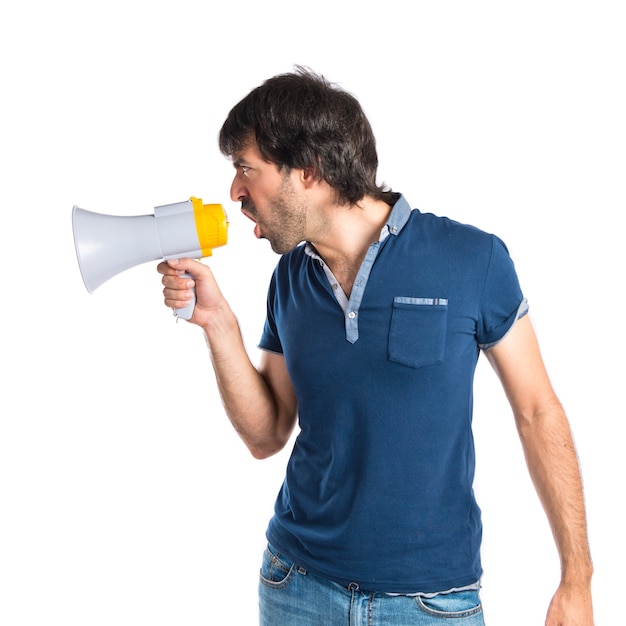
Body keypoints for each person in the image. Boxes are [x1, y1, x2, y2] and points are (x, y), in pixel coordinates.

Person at [158, 67, 594, 625]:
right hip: (296, 587)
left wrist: (576, 579)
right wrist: (218, 324)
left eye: (247, 169)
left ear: (309, 171)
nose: (235, 192)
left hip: (431, 603)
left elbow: (538, 412)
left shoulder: (472, 259)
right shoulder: (290, 277)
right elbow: (266, 434)